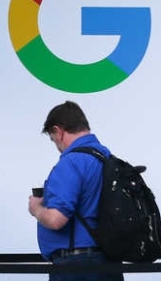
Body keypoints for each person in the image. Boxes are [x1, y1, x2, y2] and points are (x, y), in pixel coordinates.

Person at [28, 101, 123, 281]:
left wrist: (36, 208)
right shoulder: (106, 158)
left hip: (76, 266)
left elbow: (56, 219)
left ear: (59, 131)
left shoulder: (71, 162)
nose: (57, 146)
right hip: (109, 263)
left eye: (53, 139)